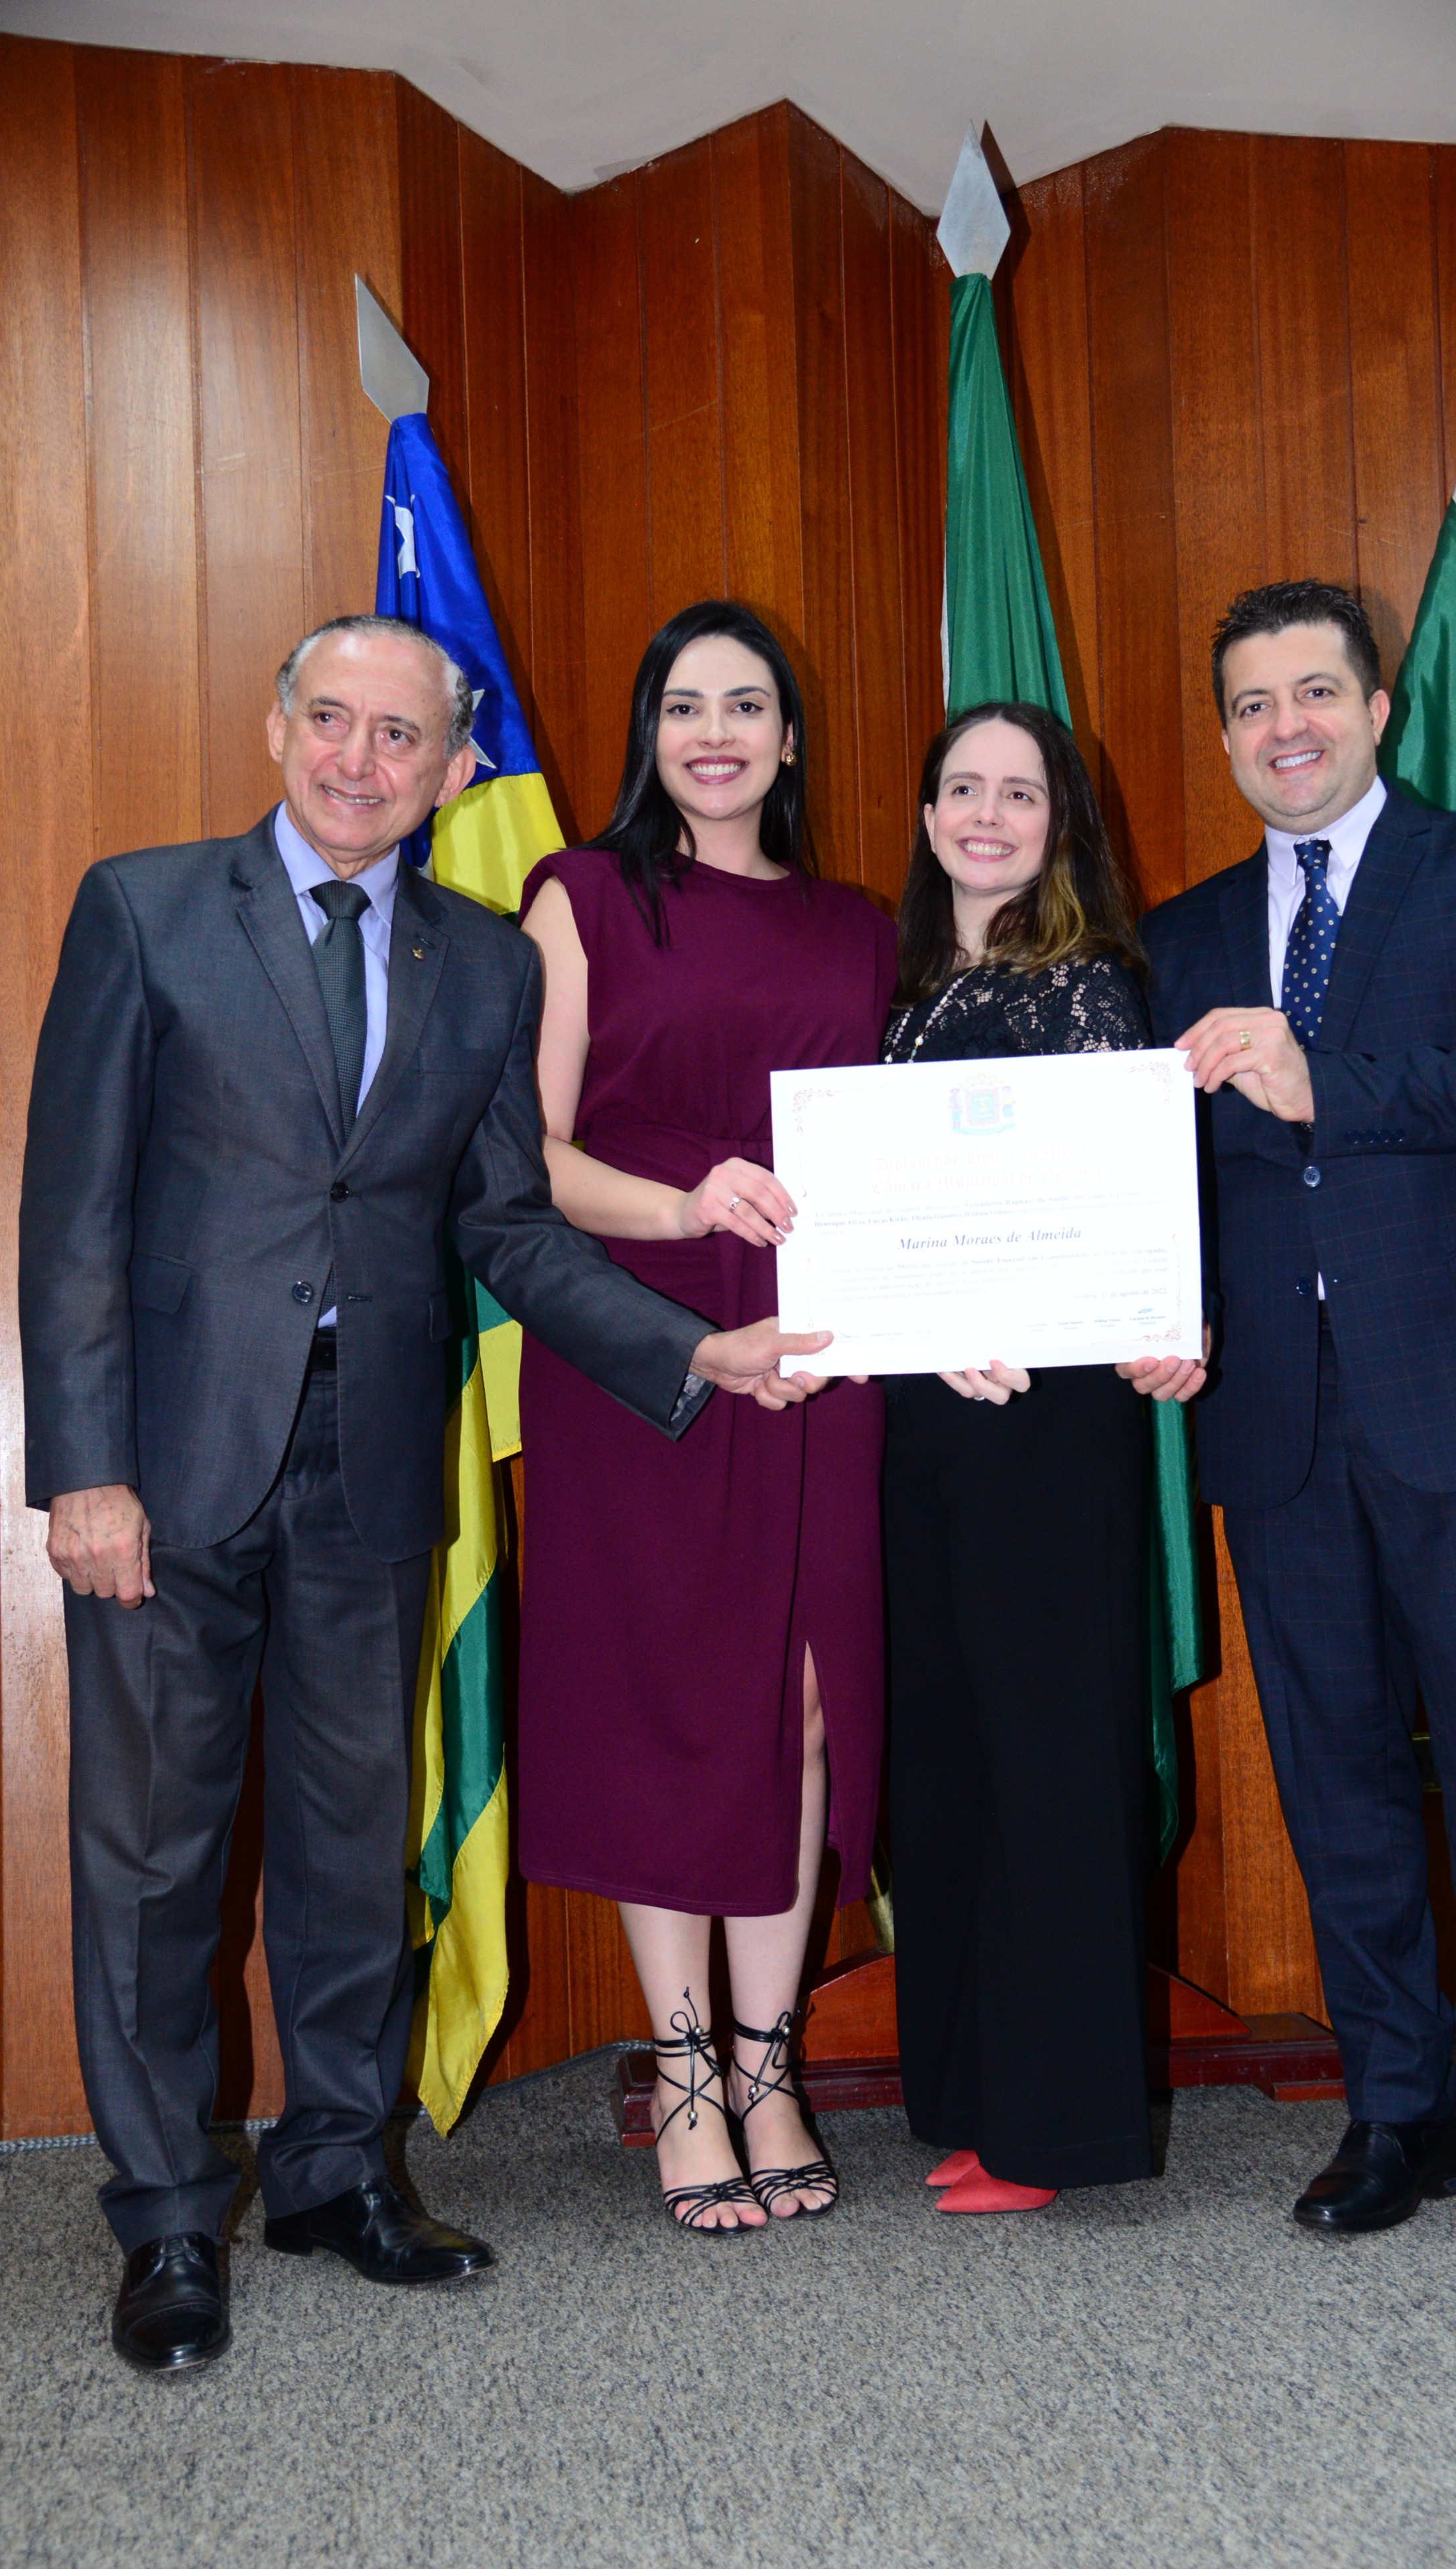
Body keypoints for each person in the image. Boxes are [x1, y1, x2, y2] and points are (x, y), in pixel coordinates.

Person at [19, 613, 821, 2371]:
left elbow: (508, 1224)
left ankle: (335, 2173)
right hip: (166, 1468)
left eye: (401, 736)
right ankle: (167, 2221)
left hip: (374, 1464)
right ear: (276, 725)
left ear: (456, 766)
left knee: (348, 1847)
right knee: (153, 1857)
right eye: (332, 720)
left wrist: (687, 1350)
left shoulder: (486, 963)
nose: (359, 761)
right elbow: (70, 1210)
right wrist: (83, 1471)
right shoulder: (145, 910)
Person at [1136, 578, 1456, 2286]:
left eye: (1314, 692)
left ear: (1377, 708)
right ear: (1224, 737)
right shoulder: (1184, 930)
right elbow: (1159, 1168)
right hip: (1274, 1409)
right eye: (1251, 703)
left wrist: (1321, 1078)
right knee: (1333, 1774)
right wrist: (1153, 1301)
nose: (1285, 726)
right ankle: (1396, 2107)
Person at [517, 602, 895, 2234]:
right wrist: (687, 1209)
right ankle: (684, 2079)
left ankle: (768, 2066)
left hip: (820, 1349)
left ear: (790, 739)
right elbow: (527, 1157)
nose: (717, 733)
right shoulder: (583, 894)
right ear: (649, 734)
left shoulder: (861, 926)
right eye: (685, 706)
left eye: (748, 706)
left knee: (799, 1705)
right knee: (665, 1700)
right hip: (646, 1345)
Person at [881, 701, 1162, 2217]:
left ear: (1062, 824)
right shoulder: (913, 983)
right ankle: (973, 2090)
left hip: (1043, 1419)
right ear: (928, 816)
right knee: (950, 1755)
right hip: (927, 1415)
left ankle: (1056, 2128)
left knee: (1046, 1759)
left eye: (1019, 793)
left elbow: (1103, 1214)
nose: (986, 815)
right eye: (961, 789)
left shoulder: (1086, 982)